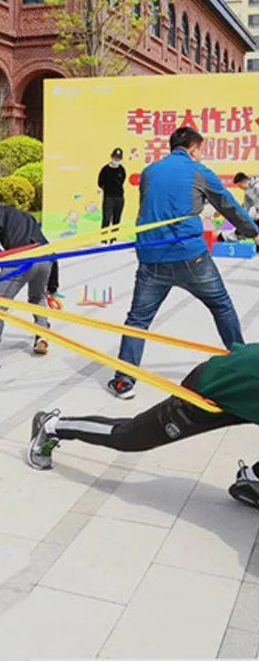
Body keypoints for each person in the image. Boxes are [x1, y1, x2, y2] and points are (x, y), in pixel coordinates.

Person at [108, 127, 259, 400]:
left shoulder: (150, 172)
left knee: (138, 319)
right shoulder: (198, 171)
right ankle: (243, 368)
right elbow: (227, 205)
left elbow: (148, 209)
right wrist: (252, 232)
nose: (201, 155)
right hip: (192, 258)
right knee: (221, 306)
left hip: (152, 258)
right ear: (192, 148)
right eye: (200, 150)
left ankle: (123, 380)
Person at [27, 344, 259, 511]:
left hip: (247, 387)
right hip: (214, 388)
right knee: (128, 437)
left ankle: (253, 480)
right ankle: (53, 426)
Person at [0, 203, 59, 370]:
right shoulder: (27, 217)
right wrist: (53, 286)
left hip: (20, 259)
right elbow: (49, 247)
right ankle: (42, 336)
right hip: (45, 258)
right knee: (38, 298)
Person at [98, 147, 126, 242]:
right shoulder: (105, 169)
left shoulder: (122, 170)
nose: (116, 160)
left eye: (118, 158)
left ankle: (114, 239)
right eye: (115, 158)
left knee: (117, 219)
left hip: (119, 197)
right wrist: (107, 189)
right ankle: (104, 239)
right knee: (106, 218)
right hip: (109, 197)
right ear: (111, 157)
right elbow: (100, 182)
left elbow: (122, 181)